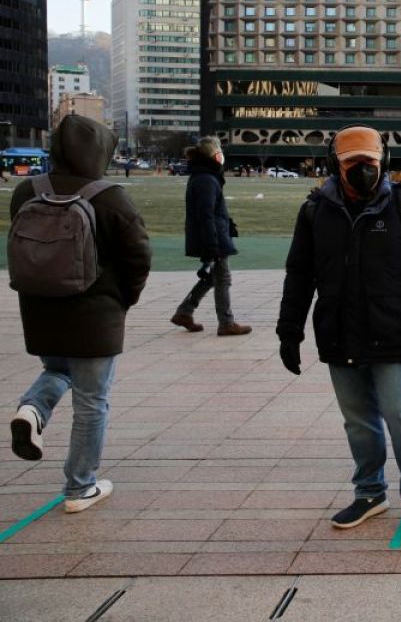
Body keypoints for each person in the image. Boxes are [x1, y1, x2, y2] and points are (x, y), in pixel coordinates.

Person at [276, 125, 401, 537]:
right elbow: (299, 275)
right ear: (334, 165)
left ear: (383, 162)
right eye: (352, 163)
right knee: (358, 421)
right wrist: (289, 331)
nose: (362, 171)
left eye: (369, 163)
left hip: (393, 333)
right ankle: (370, 491)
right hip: (338, 333)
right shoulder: (315, 210)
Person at [9, 116, 152, 512]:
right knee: (92, 401)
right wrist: (125, 298)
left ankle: (32, 409)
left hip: (39, 306)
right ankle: (79, 486)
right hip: (94, 311)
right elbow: (138, 254)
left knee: (58, 369)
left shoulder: (26, 191)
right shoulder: (108, 196)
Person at [170, 137, 252, 336]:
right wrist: (212, 245)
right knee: (223, 278)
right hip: (212, 237)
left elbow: (212, 211)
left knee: (211, 278)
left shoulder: (205, 177)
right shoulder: (206, 179)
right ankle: (226, 323)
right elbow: (205, 215)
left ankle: (184, 312)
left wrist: (228, 224)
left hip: (214, 234)